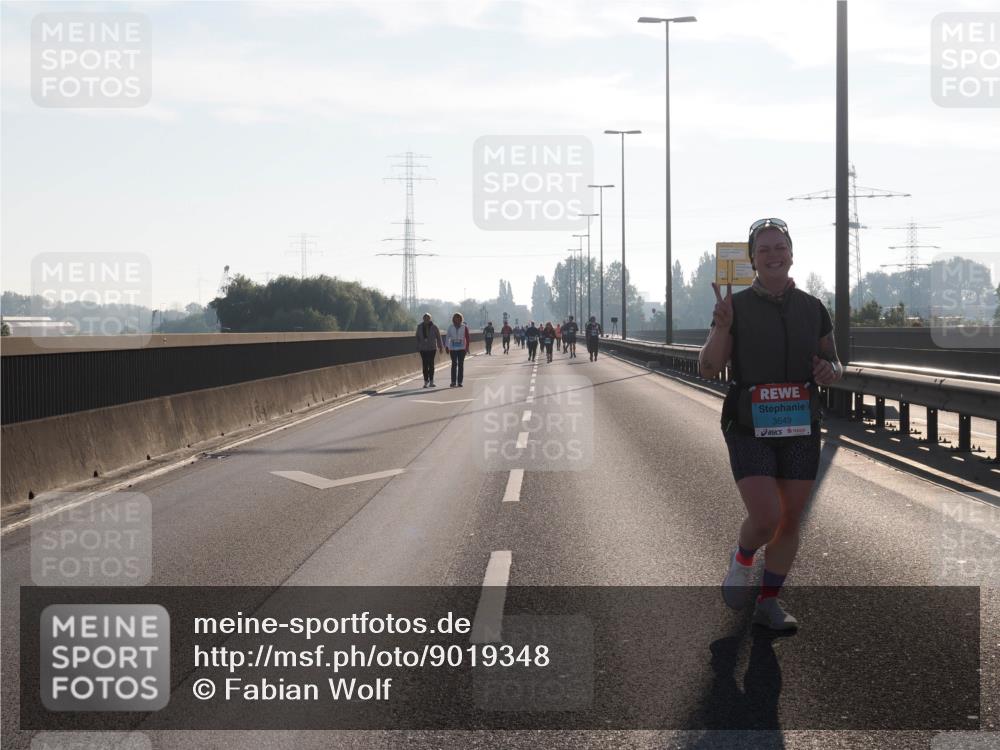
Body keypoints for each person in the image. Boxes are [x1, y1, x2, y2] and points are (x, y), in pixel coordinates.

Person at [700, 218, 843, 631]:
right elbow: (709, 368)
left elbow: (835, 360)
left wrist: (830, 369)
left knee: (789, 520)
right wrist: (722, 327)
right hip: (748, 424)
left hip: (800, 425)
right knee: (765, 517)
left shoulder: (813, 308)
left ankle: (769, 601)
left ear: (792, 254)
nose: (773, 254)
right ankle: (743, 559)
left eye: (780, 247)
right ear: (752, 261)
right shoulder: (736, 308)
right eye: (764, 249)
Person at [415, 313, 444, 387]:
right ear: (423, 319)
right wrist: (418, 346)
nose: (426, 319)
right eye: (425, 318)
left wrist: (441, 347)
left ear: (430, 319)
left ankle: (431, 381)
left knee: (431, 364)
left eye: (428, 318)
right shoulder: (420, 327)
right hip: (423, 349)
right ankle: (425, 381)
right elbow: (417, 337)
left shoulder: (434, 327)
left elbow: (438, 337)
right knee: (425, 365)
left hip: (432, 348)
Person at [444, 312, 471, 387]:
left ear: (461, 319)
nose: (457, 319)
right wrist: (446, 346)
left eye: (459, 317)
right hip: (452, 348)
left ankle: (459, 382)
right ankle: (453, 381)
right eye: (456, 317)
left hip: (462, 348)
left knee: (461, 364)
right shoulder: (450, 327)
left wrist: (467, 347)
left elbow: (467, 338)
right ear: (453, 319)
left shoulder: (464, 327)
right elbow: (447, 337)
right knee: (454, 364)